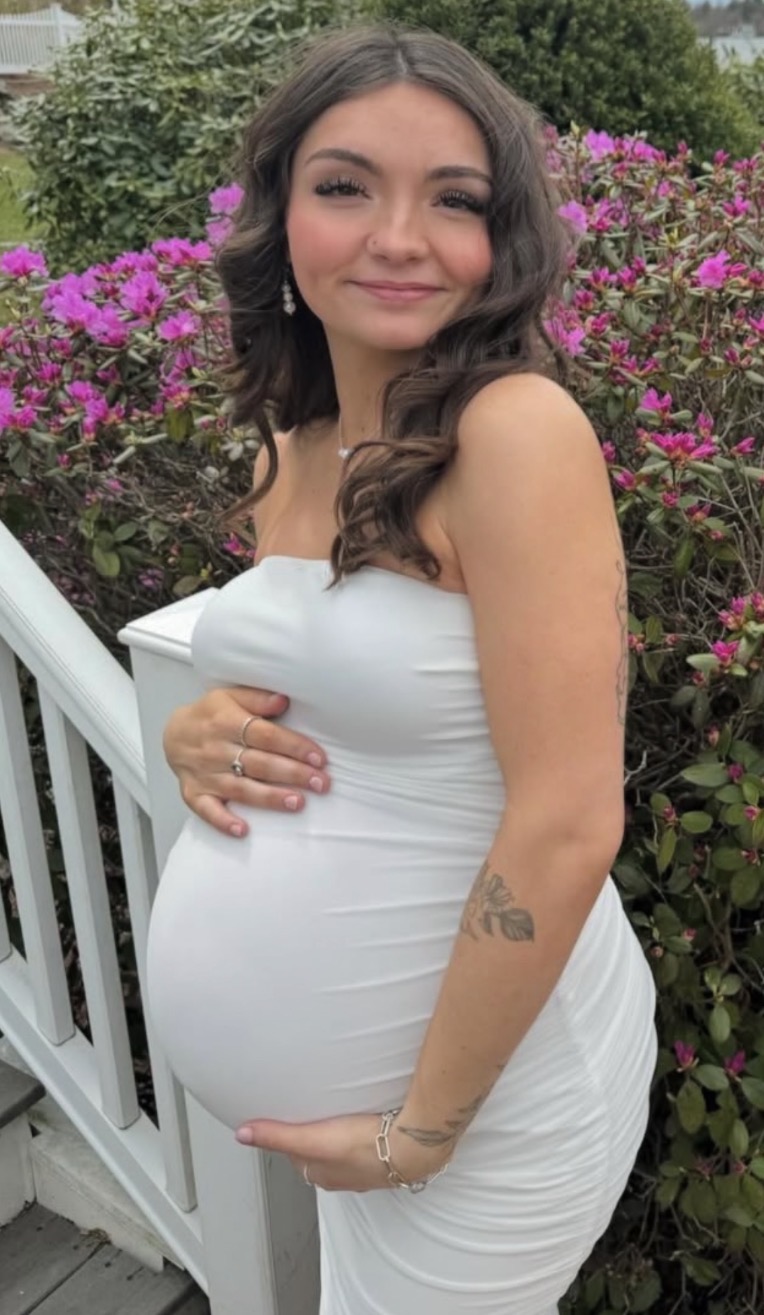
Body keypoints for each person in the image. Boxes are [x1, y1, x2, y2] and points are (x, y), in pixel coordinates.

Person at [145, 22, 657, 1315]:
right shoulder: (294, 445)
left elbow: (569, 819)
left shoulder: (514, 434)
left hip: (488, 1106)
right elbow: (349, 686)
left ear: (502, 238)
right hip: (370, 1104)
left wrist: (420, 1131)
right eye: (346, 186)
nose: (398, 237)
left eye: (454, 200)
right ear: (280, 218)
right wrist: (199, 730)